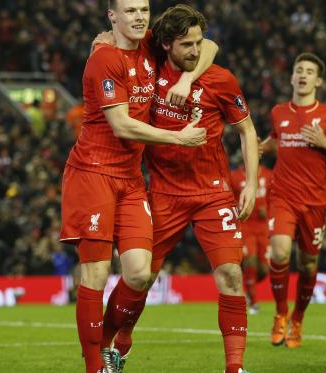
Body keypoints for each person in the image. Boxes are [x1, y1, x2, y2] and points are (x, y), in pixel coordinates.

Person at [59, 1, 218, 372]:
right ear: (112, 16)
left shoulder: (149, 44)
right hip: (93, 173)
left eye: (143, 9)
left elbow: (206, 45)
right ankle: (94, 366)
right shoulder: (103, 59)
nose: (139, 16)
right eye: (129, 10)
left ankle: (115, 341)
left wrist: (185, 79)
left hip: (130, 179)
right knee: (95, 275)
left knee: (139, 273)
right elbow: (123, 125)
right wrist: (178, 138)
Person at [104, 5, 258, 373]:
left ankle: (234, 368)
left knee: (232, 275)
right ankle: (115, 343)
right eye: (185, 44)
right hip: (162, 195)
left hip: (213, 194)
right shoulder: (149, 68)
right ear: (166, 45)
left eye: (197, 43)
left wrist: (250, 181)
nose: (194, 50)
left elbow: (248, 131)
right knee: (140, 277)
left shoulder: (220, 79)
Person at [260, 52, 326, 349]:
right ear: (291, 77)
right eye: (299, 70)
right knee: (280, 252)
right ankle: (280, 314)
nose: (302, 75)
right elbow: (278, 138)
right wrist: (264, 146)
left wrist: (324, 143)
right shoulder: (278, 112)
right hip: (283, 194)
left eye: (309, 71)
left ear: (318, 80)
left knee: (309, 264)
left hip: (315, 199)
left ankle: (298, 320)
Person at [230, 163, 273, 314]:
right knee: (250, 260)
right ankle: (254, 303)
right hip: (245, 226)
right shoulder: (234, 177)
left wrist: (267, 211)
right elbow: (229, 200)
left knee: (264, 269)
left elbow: (274, 198)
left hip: (263, 227)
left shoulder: (268, 175)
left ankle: (248, 287)